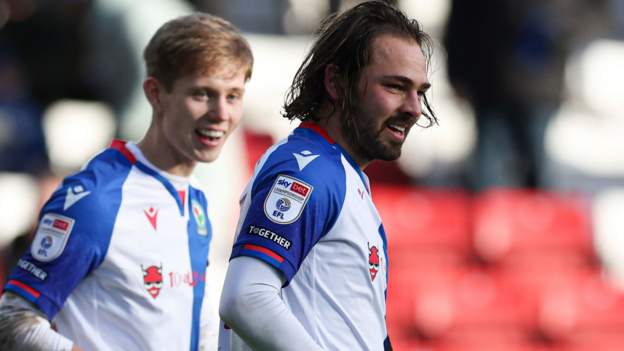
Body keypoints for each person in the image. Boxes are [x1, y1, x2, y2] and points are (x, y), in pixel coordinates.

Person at [0, 12, 253, 351]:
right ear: (155, 94)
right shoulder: (98, 199)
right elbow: (13, 320)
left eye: (233, 95)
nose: (221, 113)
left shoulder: (196, 199)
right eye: (202, 94)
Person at [218, 1, 435, 350]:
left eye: (419, 92)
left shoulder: (341, 176)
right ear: (336, 81)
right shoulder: (308, 170)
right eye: (395, 87)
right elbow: (245, 298)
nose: (413, 108)